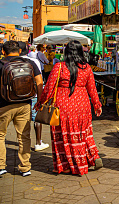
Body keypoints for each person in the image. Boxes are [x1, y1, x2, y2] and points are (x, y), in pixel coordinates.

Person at [34, 40, 102, 175]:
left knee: (64, 136)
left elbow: (49, 88)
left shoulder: (59, 67)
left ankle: (67, 166)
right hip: (83, 105)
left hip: (63, 106)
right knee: (83, 134)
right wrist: (97, 105)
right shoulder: (86, 68)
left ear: (67, 52)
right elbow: (92, 89)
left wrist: (40, 103)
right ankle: (91, 158)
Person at [0, 41, 44, 177]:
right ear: (19, 51)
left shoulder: (1, 64)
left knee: (1, 136)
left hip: (3, 105)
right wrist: (40, 101)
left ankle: (1, 166)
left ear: (3, 52)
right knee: (24, 137)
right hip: (25, 103)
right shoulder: (30, 63)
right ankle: (25, 167)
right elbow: (39, 82)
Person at [20, 42, 49, 151]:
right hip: (32, 94)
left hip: (14, 98)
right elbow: (39, 81)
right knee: (36, 119)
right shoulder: (32, 61)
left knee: (21, 121)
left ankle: (23, 143)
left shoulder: (7, 62)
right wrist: (40, 99)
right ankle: (38, 142)